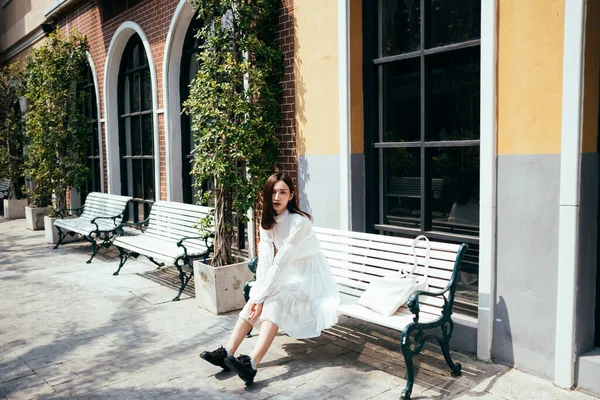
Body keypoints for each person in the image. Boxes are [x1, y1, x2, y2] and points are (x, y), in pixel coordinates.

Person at [199, 172, 340, 386]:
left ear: (291, 195)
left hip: (311, 278)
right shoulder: (268, 221)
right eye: (273, 192)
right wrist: (257, 297)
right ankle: (228, 352)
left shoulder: (298, 223)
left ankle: (252, 364)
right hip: (290, 274)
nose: (277, 197)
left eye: (283, 192)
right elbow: (266, 262)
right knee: (259, 296)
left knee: (275, 298)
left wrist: (262, 297)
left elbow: (281, 262)